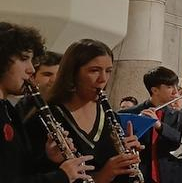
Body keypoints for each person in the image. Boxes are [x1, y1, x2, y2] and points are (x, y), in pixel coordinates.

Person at [37, 39, 143, 183]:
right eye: (94, 71)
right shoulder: (47, 115)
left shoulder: (108, 115)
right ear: (73, 72)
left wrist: (128, 159)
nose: (103, 79)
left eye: (108, 71)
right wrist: (103, 175)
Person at [0, 22, 94, 183]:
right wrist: (61, 176)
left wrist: (49, 158)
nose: (31, 69)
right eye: (23, 59)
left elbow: (18, 169)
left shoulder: (7, 108)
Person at [119, 66, 182, 183]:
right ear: (155, 90)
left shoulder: (178, 115)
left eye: (176, 86)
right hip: (139, 176)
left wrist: (160, 126)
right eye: (170, 87)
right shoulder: (128, 114)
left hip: (169, 176)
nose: (176, 91)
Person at [16, 50, 62, 117]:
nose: (54, 80)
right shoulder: (22, 107)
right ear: (32, 78)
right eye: (47, 74)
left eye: (60, 75)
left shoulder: (66, 107)